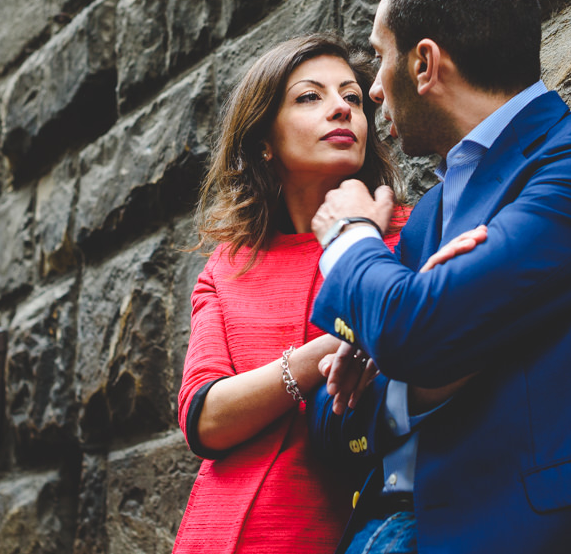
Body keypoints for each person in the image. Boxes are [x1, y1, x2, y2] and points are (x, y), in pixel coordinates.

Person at [305, 0, 571, 553]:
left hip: (544, 534)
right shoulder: (430, 212)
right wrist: (416, 355)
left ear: (424, 64)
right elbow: (329, 423)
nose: (373, 90)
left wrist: (352, 239)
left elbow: (418, 332)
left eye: (380, 59)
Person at [172, 34, 406, 554]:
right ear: (263, 141)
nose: (341, 110)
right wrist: (320, 355)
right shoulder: (230, 264)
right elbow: (202, 418)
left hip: (351, 532)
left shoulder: (405, 235)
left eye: (351, 96)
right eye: (310, 97)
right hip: (219, 533)